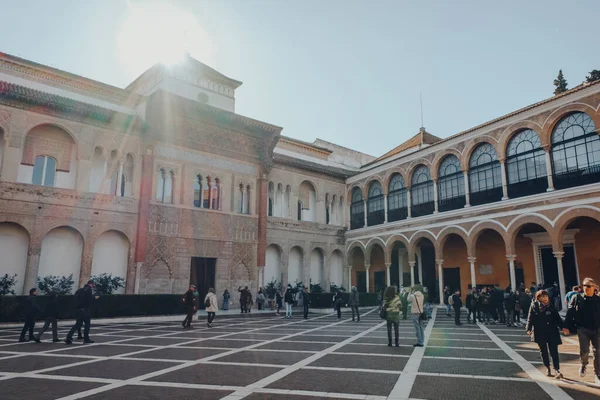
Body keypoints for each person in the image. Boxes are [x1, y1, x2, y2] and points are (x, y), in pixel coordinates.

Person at [564, 277, 600, 383]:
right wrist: (566, 326)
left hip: (597, 329)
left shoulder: (598, 300)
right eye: (584, 285)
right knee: (584, 351)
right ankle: (584, 365)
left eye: (588, 286)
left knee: (598, 352)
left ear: (594, 287)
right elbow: (570, 312)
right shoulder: (577, 298)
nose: (585, 288)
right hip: (582, 328)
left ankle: (597, 373)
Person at [527, 289, 564, 378]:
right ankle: (547, 367)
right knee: (543, 351)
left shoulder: (551, 306)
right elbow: (530, 317)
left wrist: (563, 327)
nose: (545, 298)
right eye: (543, 296)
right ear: (538, 298)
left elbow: (557, 318)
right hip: (540, 331)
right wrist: (528, 328)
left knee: (554, 351)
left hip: (552, 331)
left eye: (546, 296)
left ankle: (557, 369)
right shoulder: (534, 306)